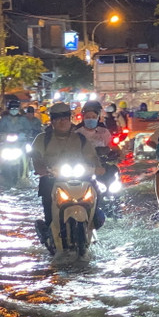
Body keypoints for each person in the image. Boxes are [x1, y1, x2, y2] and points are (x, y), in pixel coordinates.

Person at [30, 102, 105, 246]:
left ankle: (95, 218)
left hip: (80, 179)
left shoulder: (81, 139)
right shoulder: (42, 139)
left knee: (96, 192)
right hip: (52, 180)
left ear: (70, 119)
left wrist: (98, 168)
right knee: (48, 203)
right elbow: (36, 158)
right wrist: (42, 169)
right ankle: (48, 231)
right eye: (57, 118)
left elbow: (92, 158)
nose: (62, 121)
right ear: (52, 120)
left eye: (65, 118)